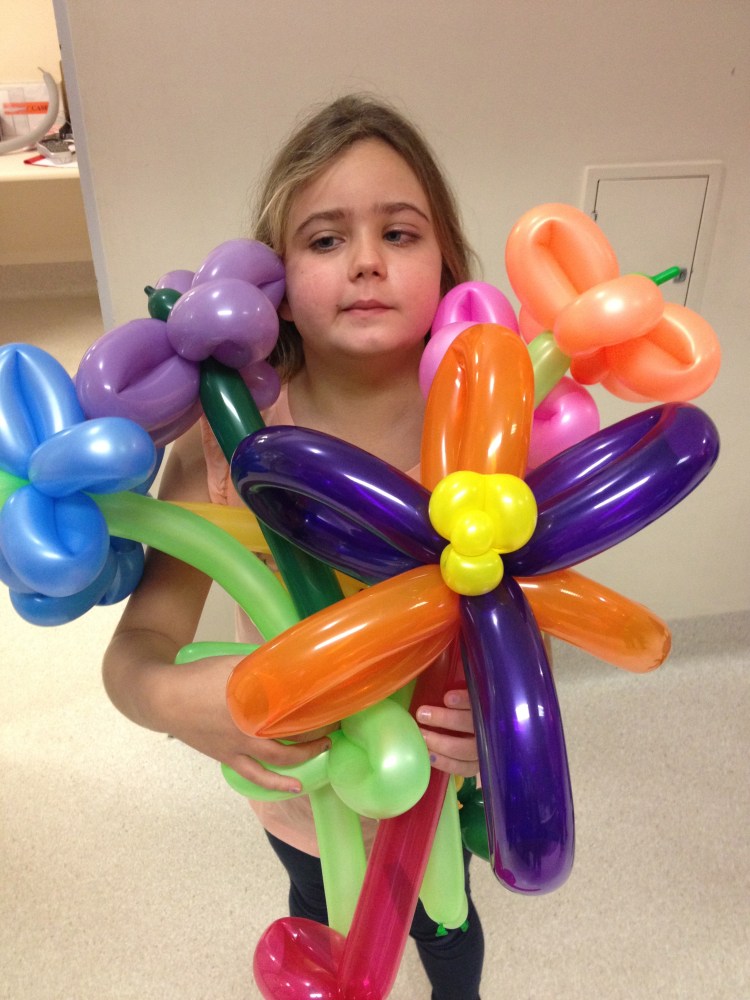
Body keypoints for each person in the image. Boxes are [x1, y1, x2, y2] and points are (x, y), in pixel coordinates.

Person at [102, 93, 484, 1000]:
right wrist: (178, 700)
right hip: (302, 797)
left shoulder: (485, 431)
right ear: (271, 283)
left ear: (446, 264)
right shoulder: (224, 441)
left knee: (448, 926)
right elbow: (134, 654)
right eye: (324, 239)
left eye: (399, 232)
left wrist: (499, 715)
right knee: (321, 913)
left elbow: (525, 617)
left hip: (438, 791)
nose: (365, 260)